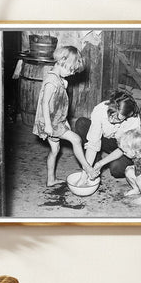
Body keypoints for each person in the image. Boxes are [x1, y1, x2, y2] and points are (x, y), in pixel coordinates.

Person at [32, 45, 97, 186]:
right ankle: (87, 167)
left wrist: (65, 121)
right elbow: (44, 104)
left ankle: (50, 180)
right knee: (76, 140)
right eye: (72, 69)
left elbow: (59, 105)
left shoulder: (61, 80)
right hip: (50, 122)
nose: (73, 73)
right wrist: (48, 125)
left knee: (55, 150)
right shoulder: (51, 82)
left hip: (56, 120)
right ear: (62, 62)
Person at [75, 90, 141, 179]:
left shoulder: (133, 120)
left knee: (117, 168)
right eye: (111, 114)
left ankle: (126, 165)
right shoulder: (100, 109)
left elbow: (123, 149)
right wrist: (86, 171)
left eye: (118, 119)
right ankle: (94, 161)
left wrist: (101, 164)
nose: (112, 120)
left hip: (123, 147)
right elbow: (93, 143)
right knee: (81, 123)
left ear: (127, 116)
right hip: (108, 139)